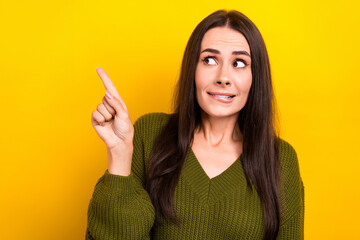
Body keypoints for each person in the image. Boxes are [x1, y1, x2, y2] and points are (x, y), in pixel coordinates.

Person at [86, 9, 304, 240]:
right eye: (209, 60)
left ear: (255, 76)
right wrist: (119, 154)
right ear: (193, 69)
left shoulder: (281, 160)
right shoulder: (148, 134)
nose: (223, 77)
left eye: (239, 63)